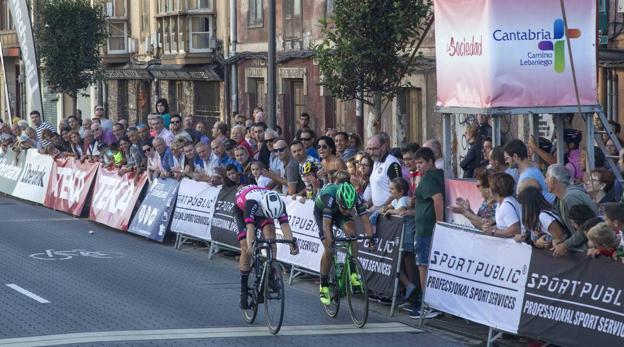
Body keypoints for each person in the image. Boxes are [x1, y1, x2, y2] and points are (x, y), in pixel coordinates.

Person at [235, 187, 299, 309]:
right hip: (242, 210)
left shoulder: (279, 204)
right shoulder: (251, 202)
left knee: (271, 237)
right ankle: (243, 291)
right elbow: (250, 228)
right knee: (245, 248)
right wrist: (251, 246)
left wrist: (292, 244)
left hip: (264, 212)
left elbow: (285, 225)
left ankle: (270, 272)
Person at [314, 182, 375, 305]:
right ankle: (324, 284)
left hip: (337, 213)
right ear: (338, 200)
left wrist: (371, 240)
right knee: (329, 249)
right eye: (345, 207)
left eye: (350, 208)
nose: (347, 211)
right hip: (322, 213)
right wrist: (330, 244)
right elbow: (326, 226)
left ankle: (353, 271)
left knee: (352, 233)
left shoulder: (356, 198)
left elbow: (365, 221)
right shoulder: (329, 197)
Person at [547, 164, 599, 257]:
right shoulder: (560, 199)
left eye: (546, 177)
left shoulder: (571, 197)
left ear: (553, 180)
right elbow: (573, 229)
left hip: (590, 252)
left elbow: (584, 227)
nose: (545, 181)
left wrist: (565, 245)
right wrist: (563, 240)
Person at [504, 139, 555, 204]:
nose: (506, 162)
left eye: (507, 158)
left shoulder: (527, 176)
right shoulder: (532, 170)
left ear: (515, 156)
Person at [367, 134, 402, 214]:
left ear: (383, 147)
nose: (372, 152)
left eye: (375, 149)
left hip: (388, 212)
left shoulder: (392, 163)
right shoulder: (376, 161)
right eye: (369, 149)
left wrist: (383, 206)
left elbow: (398, 190)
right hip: (378, 210)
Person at [484, 172, 521, 238]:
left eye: (489, 186)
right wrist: (492, 227)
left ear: (495, 189)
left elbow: (515, 230)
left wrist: (493, 232)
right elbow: (505, 226)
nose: (488, 189)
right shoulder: (502, 202)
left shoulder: (506, 206)